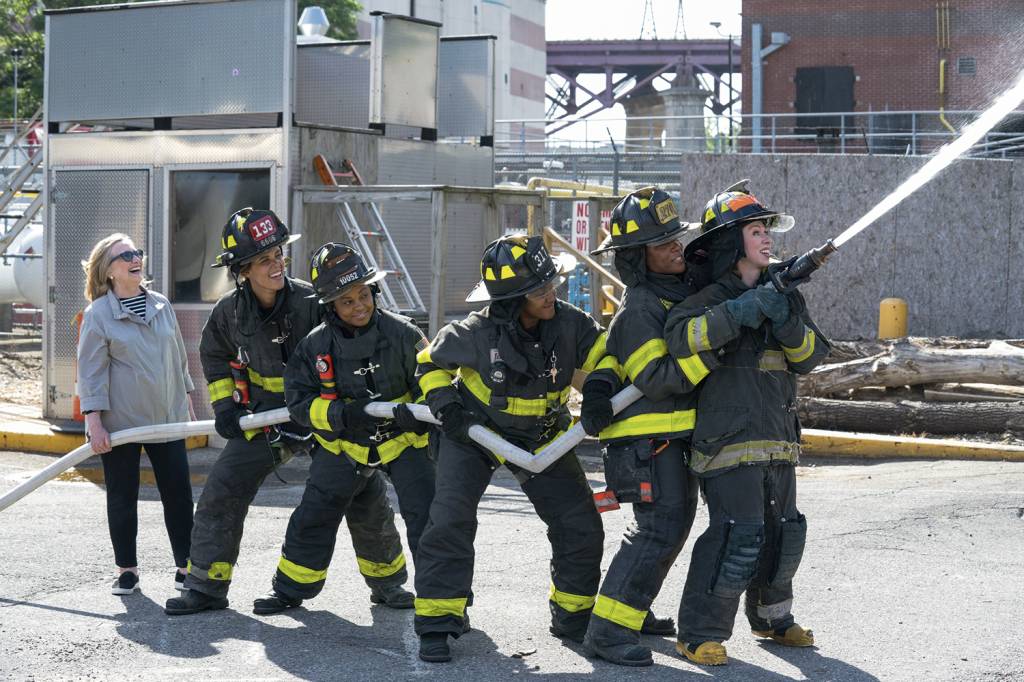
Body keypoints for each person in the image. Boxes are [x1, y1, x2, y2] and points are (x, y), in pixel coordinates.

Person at [164, 208, 407, 615]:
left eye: (279, 255)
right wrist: (226, 406)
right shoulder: (229, 313)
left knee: (363, 492)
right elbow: (215, 355)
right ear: (243, 270)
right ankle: (206, 586)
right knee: (223, 488)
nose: (277, 265)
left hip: (324, 413)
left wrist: (352, 407)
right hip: (268, 419)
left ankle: (387, 584)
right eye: (264, 260)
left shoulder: (314, 301)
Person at [413, 234, 609, 663]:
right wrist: (445, 403)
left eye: (550, 282)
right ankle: (437, 621)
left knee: (579, 523)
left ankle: (573, 614)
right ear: (510, 300)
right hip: (475, 436)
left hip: (543, 436)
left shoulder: (571, 323)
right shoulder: (474, 333)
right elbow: (429, 364)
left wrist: (598, 390)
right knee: (449, 520)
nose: (550, 293)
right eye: (539, 289)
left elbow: (605, 355)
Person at [664, 180, 830, 666]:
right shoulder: (707, 297)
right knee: (737, 533)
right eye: (756, 230)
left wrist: (784, 321)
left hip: (778, 438)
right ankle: (697, 633)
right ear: (731, 243)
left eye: (765, 230)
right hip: (727, 442)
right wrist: (741, 310)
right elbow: (681, 338)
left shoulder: (784, 295)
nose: (766, 238)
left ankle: (773, 619)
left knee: (784, 532)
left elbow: (809, 357)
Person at [251, 243, 431, 615]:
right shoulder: (314, 346)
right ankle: (289, 590)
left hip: (403, 441)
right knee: (315, 513)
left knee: (428, 517)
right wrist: (341, 416)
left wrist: (418, 410)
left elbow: (434, 380)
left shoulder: (405, 334)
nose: (359, 306)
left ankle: (435, 601)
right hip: (343, 445)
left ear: (374, 291)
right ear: (331, 306)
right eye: (347, 301)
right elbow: (298, 403)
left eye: (363, 295)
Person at [577, 187, 710, 666]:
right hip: (645, 442)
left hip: (668, 439)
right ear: (637, 258)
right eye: (663, 243)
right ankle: (608, 631)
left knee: (670, 528)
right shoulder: (641, 307)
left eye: (677, 237)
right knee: (658, 530)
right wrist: (715, 349)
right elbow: (655, 380)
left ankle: (632, 610)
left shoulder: (676, 293)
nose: (677, 246)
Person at [77, 233, 195, 595]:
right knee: (122, 496)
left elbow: (177, 356)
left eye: (136, 252)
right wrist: (93, 421)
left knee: (179, 494)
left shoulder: (161, 304)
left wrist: (187, 396)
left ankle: (186, 567)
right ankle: (127, 570)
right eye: (124, 254)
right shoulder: (98, 315)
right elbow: (91, 372)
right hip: (121, 424)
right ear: (108, 271)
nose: (135, 258)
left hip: (165, 417)